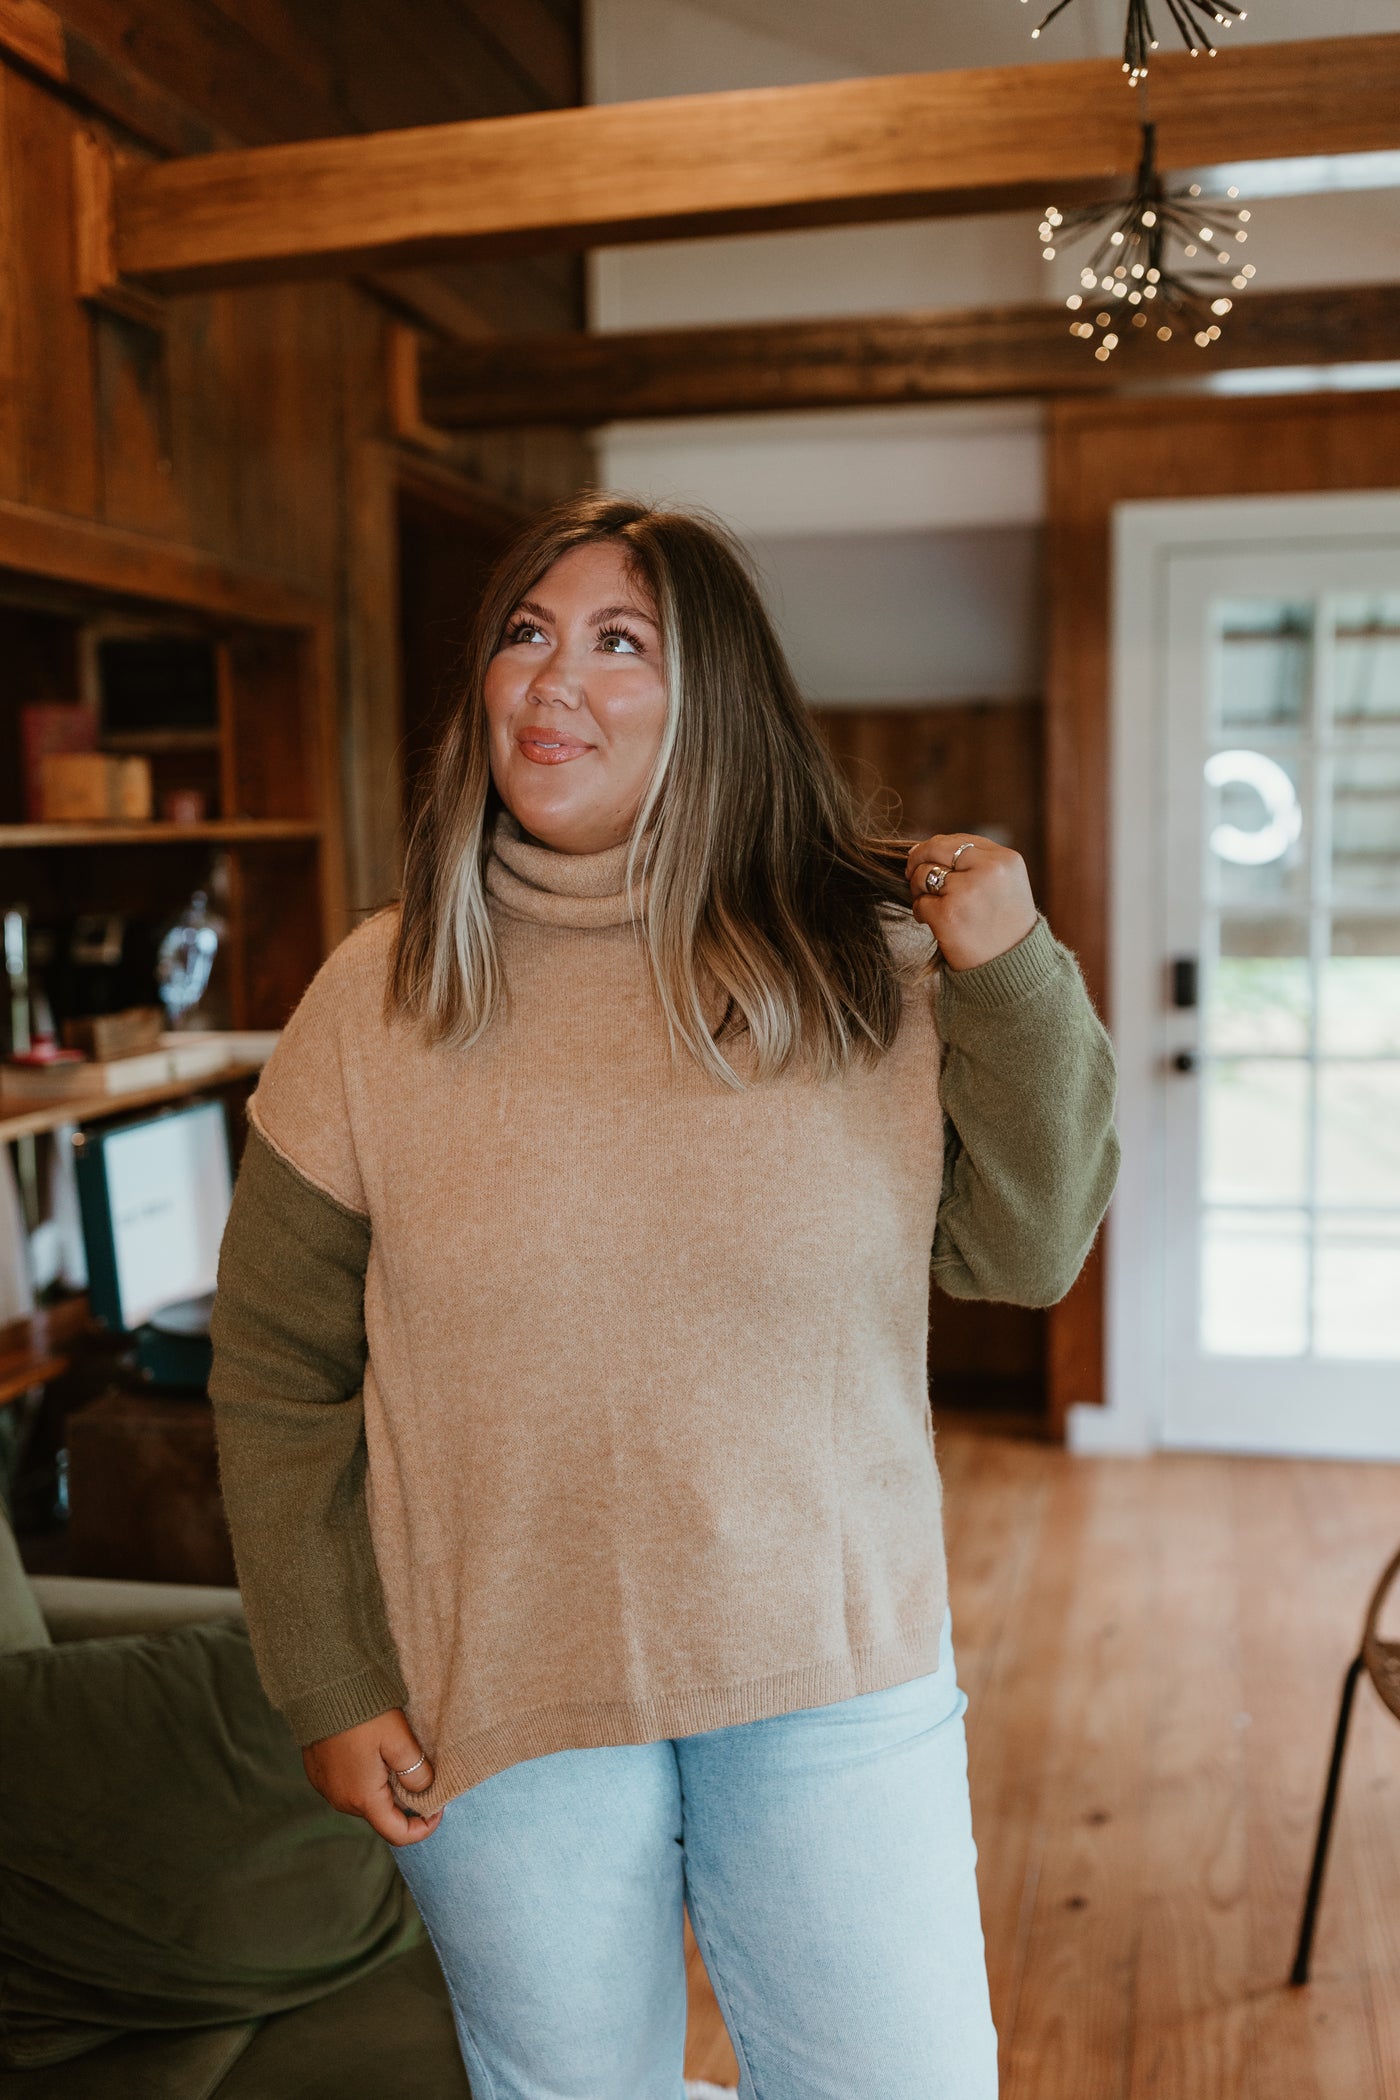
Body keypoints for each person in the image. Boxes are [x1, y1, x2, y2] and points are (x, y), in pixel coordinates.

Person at [209, 493, 1119, 2100]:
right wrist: (330, 1677)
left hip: (828, 1669)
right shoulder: (380, 988)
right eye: (526, 634)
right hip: (497, 1683)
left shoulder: (868, 964)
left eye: (620, 641)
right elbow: (275, 1366)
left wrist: (1018, 971)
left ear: (717, 705)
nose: (554, 678)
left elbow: (1024, 1251)